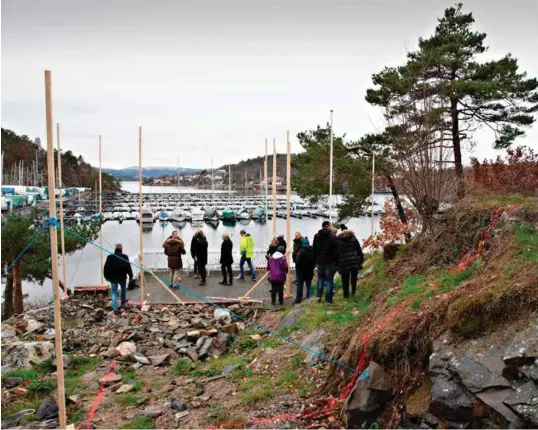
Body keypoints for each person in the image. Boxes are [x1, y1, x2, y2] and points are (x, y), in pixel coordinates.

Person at [313, 221, 339, 304]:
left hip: (320, 261)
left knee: (320, 278)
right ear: (327, 226)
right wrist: (336, 261)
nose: (331, 227)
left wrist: (316, 259)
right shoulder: (332, 236)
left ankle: (319, 296)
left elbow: (314, 249)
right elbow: (336, 250)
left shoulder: (316, 236)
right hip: (329, 261)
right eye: (330, 225)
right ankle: (328, 300)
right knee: (329, 280)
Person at [103, 243, 133, 312]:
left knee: (114, 293)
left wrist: (106, 276)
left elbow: (106, 268)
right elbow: (128, 267)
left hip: (113, 278)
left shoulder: (110, 257)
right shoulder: (125, 256)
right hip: (122, 277)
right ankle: (122, 302)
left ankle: (115, 308)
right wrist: (130, 276)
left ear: (115, 248)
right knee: (123, 289)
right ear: (121, 248)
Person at [337, 229, 364, 298]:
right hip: (354, 261)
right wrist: (361, 260)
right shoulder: (354, 239)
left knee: (344, 279)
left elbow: (336, 252)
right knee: (354, 277)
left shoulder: (338, 240)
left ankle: (346, 295)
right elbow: (359, 250)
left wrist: (337, 263)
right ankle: (354, 292)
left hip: (343, 262)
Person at [294, 237, 315, 304]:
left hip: (301, 272)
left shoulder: (301, 252)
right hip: (309, 271)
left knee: (300, 285)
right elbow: (315, 261)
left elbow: (297, 262)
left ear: (302, 244)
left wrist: (297, 269)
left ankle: (298, 299)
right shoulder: (312, 251)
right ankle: (309, 297)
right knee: (309, 285)